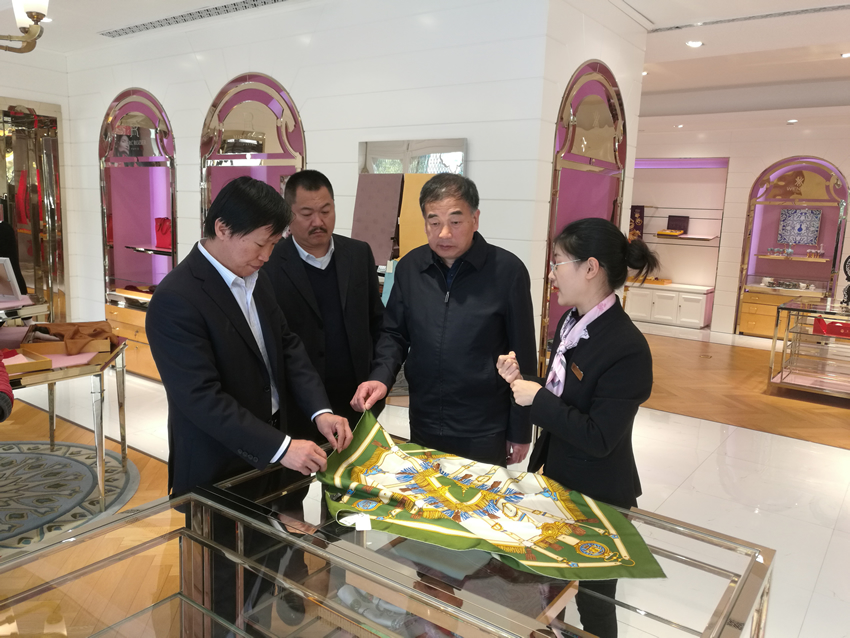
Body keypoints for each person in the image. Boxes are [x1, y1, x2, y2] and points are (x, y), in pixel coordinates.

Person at [496, 217, 659, 638]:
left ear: (590, 268)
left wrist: (537, 399)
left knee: (595, 603)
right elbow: (564, 395)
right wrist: (521, 380)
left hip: (599, 497)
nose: (551, 274)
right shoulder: (572, 322)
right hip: (559, 483)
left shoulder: (627, 347)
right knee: (552, 590)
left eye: (557, 263)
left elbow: (600, 437)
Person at [146, 176, 353, 497]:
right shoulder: (176, 298)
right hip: (219, 463)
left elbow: (287, 346)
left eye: (273, 244)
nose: (266, 256)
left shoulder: (256, 277)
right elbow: (201, 398)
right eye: (260, 244)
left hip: (277, 451)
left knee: (282, 529)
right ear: (222, 228)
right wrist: (280, 447)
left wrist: (320, 411)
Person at [351, 173, 536, 466]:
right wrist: (380, 377)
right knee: (427, 494)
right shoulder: (411, 268)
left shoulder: (508, 271)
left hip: (484, 426)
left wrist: (520, 429)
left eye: (455, 221)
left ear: (475, 219)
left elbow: (523, 352)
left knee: (479, 496)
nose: (444, 233)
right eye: (434, 222)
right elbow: (394, 334)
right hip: (424, 419)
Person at [263, 170, 384, 441]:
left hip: (356, 402)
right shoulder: (268, 264)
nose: (318, 222)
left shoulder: (358, 254)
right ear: (288, 214)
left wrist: (377, 376)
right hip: (298, 409)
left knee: (357, 467)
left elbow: (377, 322)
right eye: (306, 214)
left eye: (326, 211)